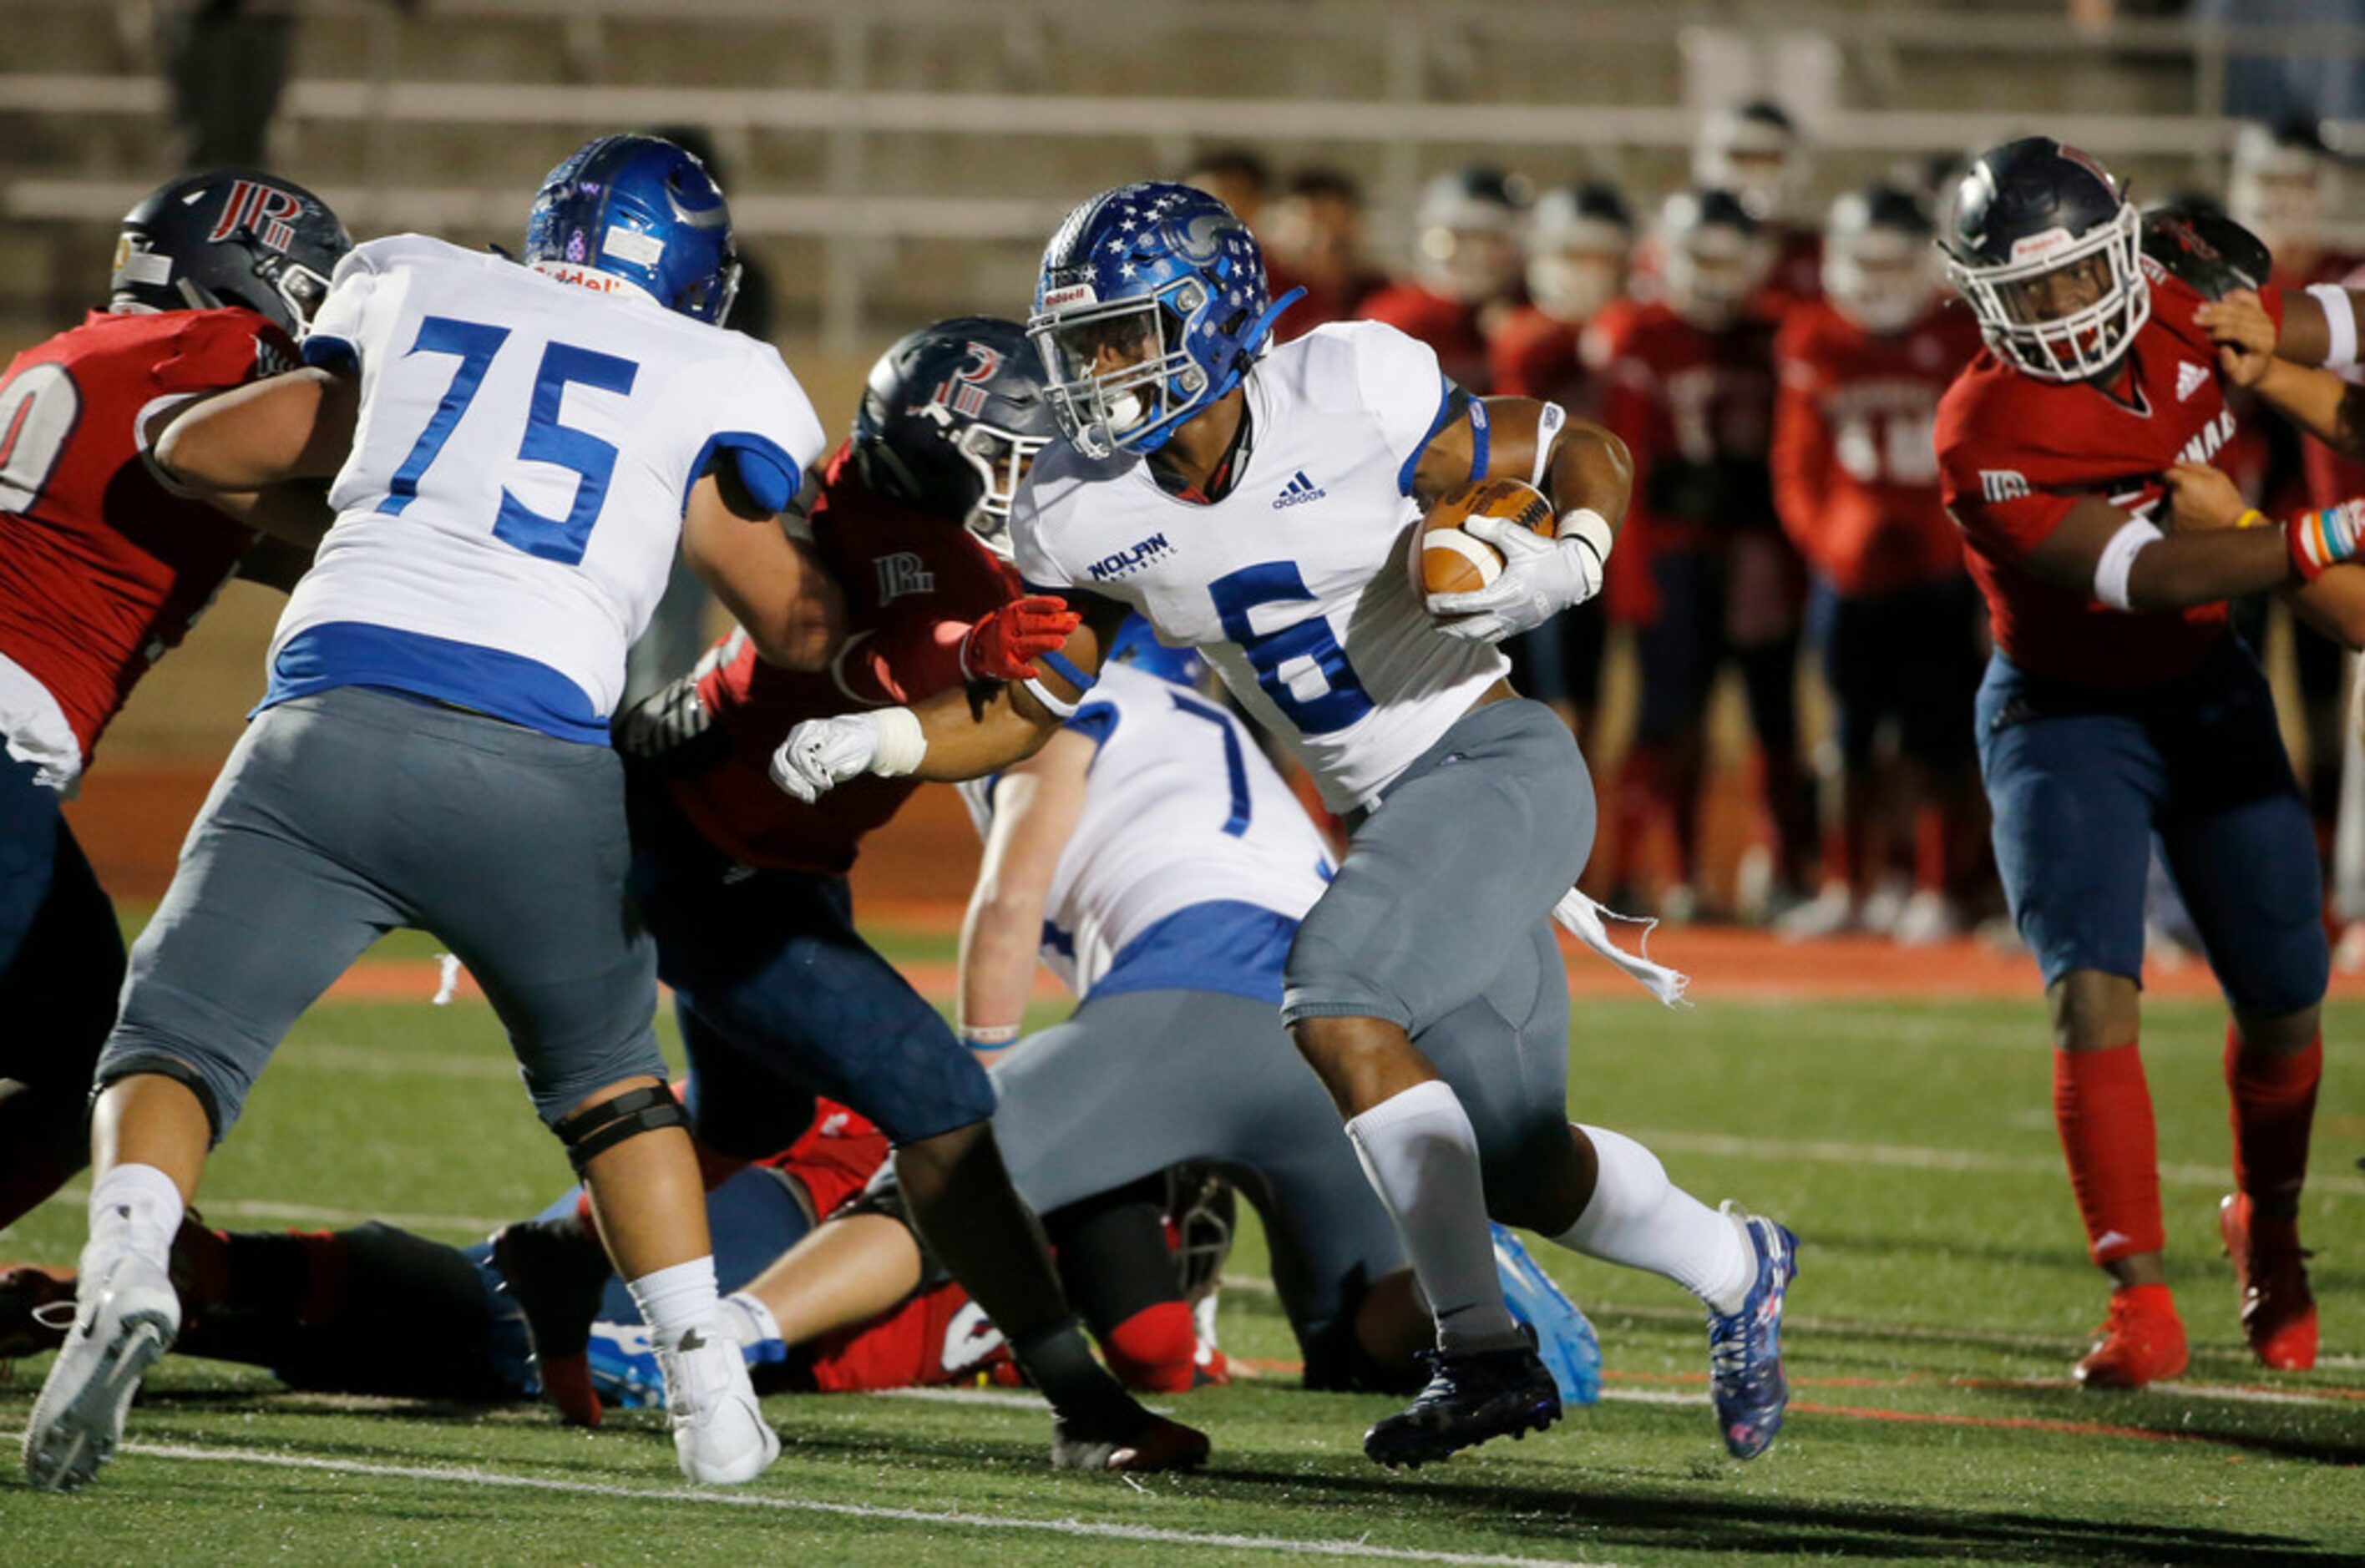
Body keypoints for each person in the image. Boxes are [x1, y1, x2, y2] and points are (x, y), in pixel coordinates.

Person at [773, 180, 1796, 1469]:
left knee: (1332, 997)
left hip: (1494, 762)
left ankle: (1480, 1351)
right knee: (1524, 1161)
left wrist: (1568, 558)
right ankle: (1738, 1260)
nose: (1092, 374)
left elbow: (1584, 451)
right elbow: (1033, 706)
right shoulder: (1080, 507)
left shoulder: (1353, 386)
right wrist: (888, 738)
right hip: (1390, 816)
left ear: (1208, 322)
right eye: (1079, 343)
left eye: (1119, 337)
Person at [23, 133, 838, 1493]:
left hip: (323, 719)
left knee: (169, 1037)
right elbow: (798, 623)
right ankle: (708, 1392)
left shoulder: (412, 284)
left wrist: (352, 508)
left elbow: (186, 446)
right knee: (613, 1088)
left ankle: (122, 1265)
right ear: (700, 273)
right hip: (534, 749)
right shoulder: (723, 370)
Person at [612, 315, 1208, 1473]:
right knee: (940, 1103)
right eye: (1007, 458)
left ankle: (548, 1261)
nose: (1030, 484)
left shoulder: (882, 495)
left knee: (753, 1126)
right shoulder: (897, 532)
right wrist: (976, 645)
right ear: (934, 453)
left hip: (771, 858)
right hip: (713, 859)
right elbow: (886, 646)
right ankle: (1086, 1403)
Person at [1933, 137, 2347, 1388]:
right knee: (2091, 988)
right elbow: (2148, 572)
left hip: (2208, 691)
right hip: (2063, 711)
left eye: (2073, 281)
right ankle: (2139, 1293)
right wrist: (2333, 529)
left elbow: (2339, 319)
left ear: (2126, 247)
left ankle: (2267, 1231)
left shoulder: (2187, 296)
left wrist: (2300, 335)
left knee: (2286, 995)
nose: (2059, 312)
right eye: (2027, 292)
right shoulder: (1983, 428)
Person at [950, 619, 1600, 1401]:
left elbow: (1011, 900)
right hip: (1339, 1025)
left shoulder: (1071, 710)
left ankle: (755, 1324)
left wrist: (977, 1081)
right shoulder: (1216, 731)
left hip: (1201, 990)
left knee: (945, 1178)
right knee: (1355, 1342)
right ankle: (1457, 1289)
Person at [0, 170, 349, 1236]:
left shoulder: (69, 357)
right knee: (89, 1058)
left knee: (84, 1044)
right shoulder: (219, 353)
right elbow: (353, 461)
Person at [1593, 188, 1815, 922]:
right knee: (1666, 719)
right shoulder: (1636, 333)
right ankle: (1647, 873)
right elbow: (1622, 468)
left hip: (1756, 550)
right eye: (1702, 256)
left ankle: (1784, 871)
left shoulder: (1778, 332)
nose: (1716, 275)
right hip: (1672, 551)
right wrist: (1628, 575)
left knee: (1773, 718)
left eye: (1729, 257)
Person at [1770, 185, 1986, 943]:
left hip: (1935, 567)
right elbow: (1796, 465)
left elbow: (1980, 456)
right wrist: (1828, 544)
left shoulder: (1958, 334)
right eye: (1866, 261)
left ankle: (1930, 884)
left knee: (1935, 737)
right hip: (1851, 570)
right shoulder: (1813, 335)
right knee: (1847, 737)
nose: (1880, 279)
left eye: (1895, 262)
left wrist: (1949, 541)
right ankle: (1845, 883)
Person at [1489, 180, 1637, 750]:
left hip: (1609, 528)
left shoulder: (1633, 330)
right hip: (1527, 525)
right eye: (1570, 254)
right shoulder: (1527, 337)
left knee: (1593, 690)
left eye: (1598, 256)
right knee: (1533, 687)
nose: (1583, 272)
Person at [1359, 167, 1531, 392]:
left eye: (1491, 240)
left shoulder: (1532, 314)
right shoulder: (1398, 318)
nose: (1474, 255)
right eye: (1458, 238)